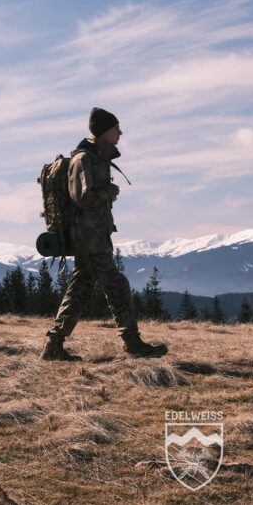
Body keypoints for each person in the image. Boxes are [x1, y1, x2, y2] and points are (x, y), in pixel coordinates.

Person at [41, 108, 168, 360]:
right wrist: (109, 191)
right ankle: (132, 344)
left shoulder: (96, 158)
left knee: (80, 290)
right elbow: (82, 197)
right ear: (102, 132)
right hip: (90, 239)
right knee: (117, 286)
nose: (120, 132)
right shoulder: (83, 160)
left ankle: (54, 345)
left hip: (94, 236)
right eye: (115, 128)